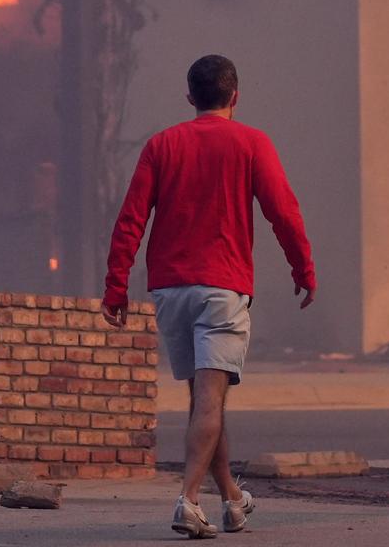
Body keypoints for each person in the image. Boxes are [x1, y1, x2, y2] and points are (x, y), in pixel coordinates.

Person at [102, 54, 316, 539]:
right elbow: (283, 210)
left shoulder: (162, 145)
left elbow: (130, 219)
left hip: (171, 290)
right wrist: (302, 267)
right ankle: (189, 500)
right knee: (210, 401)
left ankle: (234, 502)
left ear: (190, 96)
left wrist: (117, 285)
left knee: (206, 399)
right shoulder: (252, 143)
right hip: (223, 287)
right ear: (235, 96)